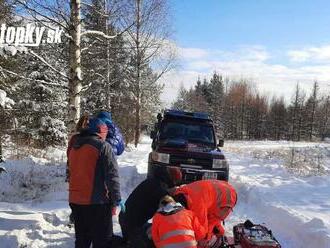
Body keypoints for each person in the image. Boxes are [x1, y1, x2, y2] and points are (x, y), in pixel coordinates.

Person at [68, 117, 122, 248]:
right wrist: (117, 199)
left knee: (82, 241)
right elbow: (112, 175)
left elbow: (70, 172)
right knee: (103, 241)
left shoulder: (74, 146)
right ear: (101, 132)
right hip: (97, 203)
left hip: (75, 202)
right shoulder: (103, 146)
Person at [119, 166, 182, 248]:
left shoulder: (152, 181)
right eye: (175, 182)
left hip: (125, 219)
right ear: (171, 180)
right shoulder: (160, 190)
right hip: (133, 226)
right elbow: (171, 211)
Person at [173, 180, 237, 243]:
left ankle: (219, 235)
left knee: (208, 226)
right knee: (212, 220)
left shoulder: (196, 205)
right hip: (222, 189)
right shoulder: (181, 191)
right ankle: (219, 233)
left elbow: (201, 233)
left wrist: (205, 239)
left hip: (229, 198)